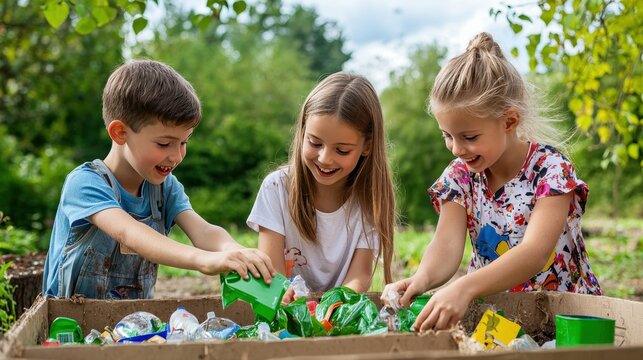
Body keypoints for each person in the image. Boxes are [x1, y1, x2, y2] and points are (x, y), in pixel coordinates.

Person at [382, 32, 601, 331]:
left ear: (509, 121)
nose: (457, 149)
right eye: (448, 136)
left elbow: (535, 253)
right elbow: (446, 245)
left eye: (469, 137)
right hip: (496, 319)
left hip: (565, 318)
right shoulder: (460, 176)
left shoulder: (550, 170)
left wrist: (464, 287)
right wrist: (422, 279)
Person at [43, 60, 274, 299]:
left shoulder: (165, 187)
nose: (176, 156)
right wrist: (203, 260)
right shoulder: (85, 183)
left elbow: (203, 230)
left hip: (131, 328)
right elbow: (129, 233)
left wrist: (234, 251)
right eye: (164, 143)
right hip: (70, 327)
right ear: (120, 133)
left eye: (184, 142)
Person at [247, 72, 396, 303]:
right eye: (315, 143)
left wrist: (331, 307)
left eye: (342, 150)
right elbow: (274, 275)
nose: (325, 158)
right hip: (285, 311)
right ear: (303, 131)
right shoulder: (276, 188)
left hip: (338, 312)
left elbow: (360, 275)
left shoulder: (369, 200)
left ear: (366, 146)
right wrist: (293, 305)